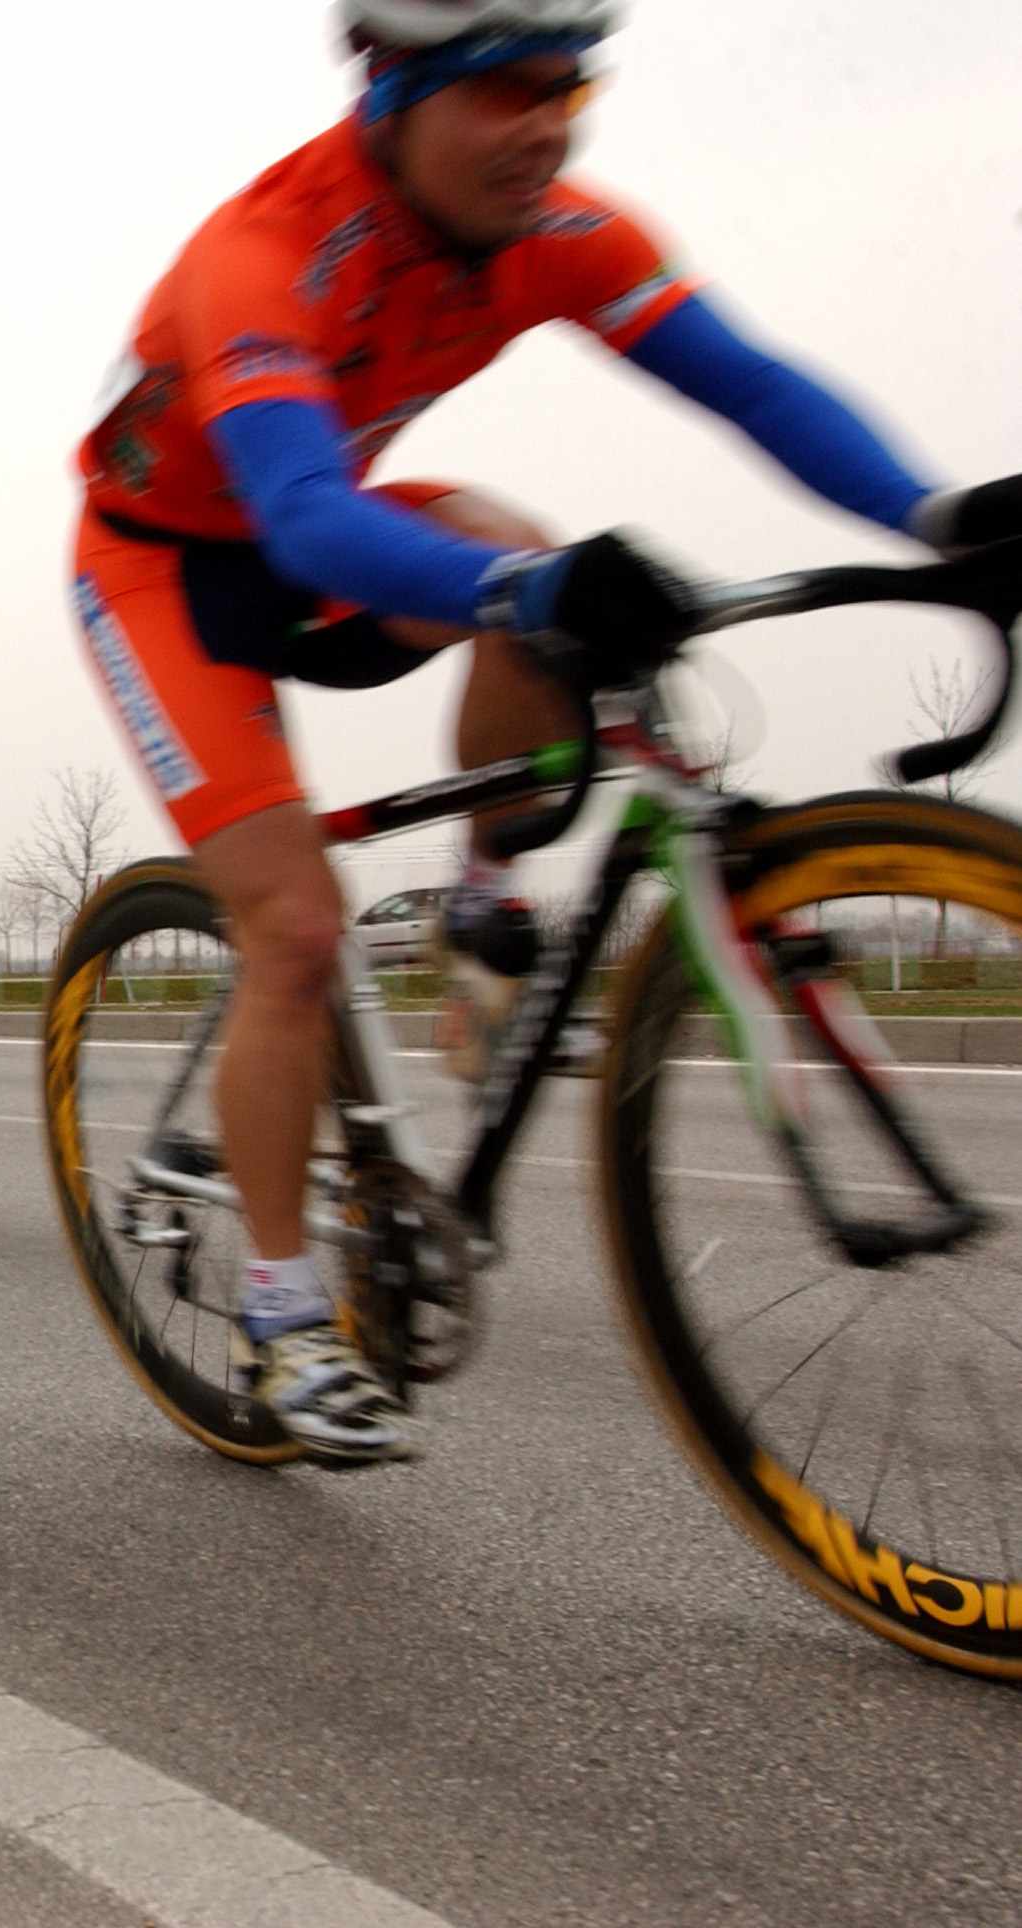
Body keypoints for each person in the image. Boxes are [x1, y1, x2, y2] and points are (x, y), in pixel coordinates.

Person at [67, 0, 1022, 1463]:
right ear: (391, 93)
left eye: (569, 85)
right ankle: (280, 1315)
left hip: (335, 536)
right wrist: (528, 587)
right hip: (172, 574)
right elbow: (304, 519)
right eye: (503, 90)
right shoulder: (261, 254)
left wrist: (938, 518)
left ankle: (483, 908)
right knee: (300, 930)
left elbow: (753, 384)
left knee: (533, 567)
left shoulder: (563, 231)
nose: (548, 125)